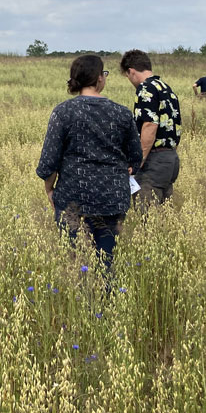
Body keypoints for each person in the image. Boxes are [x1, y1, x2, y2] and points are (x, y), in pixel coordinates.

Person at [37, 55, 141, 268]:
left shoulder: (63, 112)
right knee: (106, 263)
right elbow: (136, 157)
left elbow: (49, 161)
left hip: (73, 198)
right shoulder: (122, 113)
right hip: (112, 200)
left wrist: (50, 190)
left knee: (77, 265)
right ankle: (107, 299)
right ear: (99, 79)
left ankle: (83, 299)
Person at [120, 49, 182, 206]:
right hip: (170, 159)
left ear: (131, 71)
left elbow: (149, 125)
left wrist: (137, 162)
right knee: (162, 214)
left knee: (147, 211)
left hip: (154, 161)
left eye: (127, 76)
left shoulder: (145, 88)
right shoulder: (165, 87)